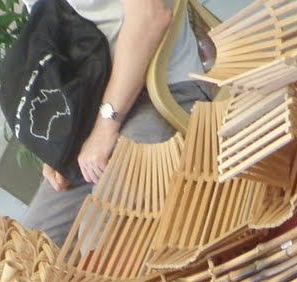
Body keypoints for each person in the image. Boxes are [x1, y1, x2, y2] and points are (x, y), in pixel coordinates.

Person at [21, 0, 211, 245]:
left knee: (101, 236)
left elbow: (151, 16)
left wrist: (105, 126)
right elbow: (55, 39)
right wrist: (55, 142)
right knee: (33, 248)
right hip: (89, 112)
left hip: (162, 89)